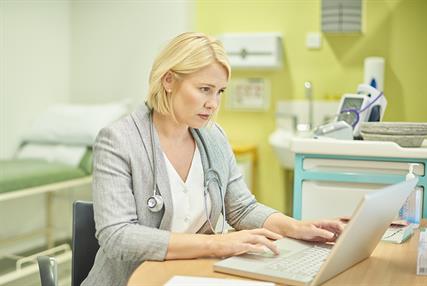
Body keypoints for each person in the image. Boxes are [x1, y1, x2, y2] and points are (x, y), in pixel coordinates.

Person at [82, 32, 344, 286]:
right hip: (133, 280)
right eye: (204, 89)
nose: (213, 103)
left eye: (220, 91)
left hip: (189, 274)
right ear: (169, 80)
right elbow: (117, 236)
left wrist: (295, 228)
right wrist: (217, 244)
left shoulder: (213, 137)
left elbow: (242, 208)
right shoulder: (119, 140)